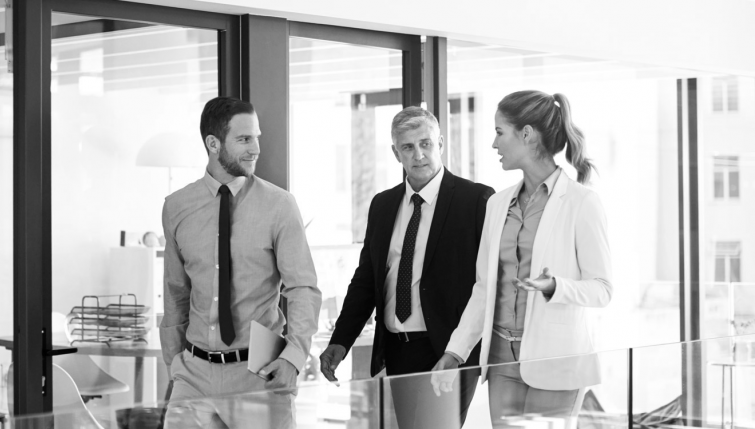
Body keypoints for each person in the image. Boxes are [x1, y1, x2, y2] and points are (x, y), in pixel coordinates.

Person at [433, 90, 613, 428]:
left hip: (557, 361)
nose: (494, 143)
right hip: (501, 361)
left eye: (500, 132)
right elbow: (484, 289)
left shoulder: (581, 203)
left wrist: (554, 286)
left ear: (526, 134)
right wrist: (455, 351)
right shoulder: (497, 204)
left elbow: (602, 289)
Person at [320, 106, 494, 428]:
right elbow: (366, 280)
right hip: (399, 351)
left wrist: (458, 351)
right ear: (395, 152)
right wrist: (341, 341)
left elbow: (487, 284)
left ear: (440, 143)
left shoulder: (476, 201)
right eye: (408, 147)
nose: (419, 155)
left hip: (447, 347)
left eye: (426, 144)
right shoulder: (383, 205)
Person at [161, 96, 321, 428]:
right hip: (192, 375)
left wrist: (293, 358)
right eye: (244, 139)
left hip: (258, 375)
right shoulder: (176, 207)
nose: (256, 148)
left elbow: (303, 289)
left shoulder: (280, 205)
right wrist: (173, 365)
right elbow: (176, 294)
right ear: (213, 143)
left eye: (256, 137)